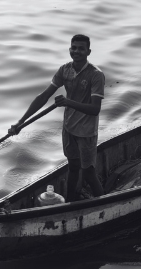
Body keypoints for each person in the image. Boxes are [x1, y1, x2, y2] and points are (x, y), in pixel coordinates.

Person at [8, 34, 105, 202]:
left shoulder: (95, 75)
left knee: (88, 172)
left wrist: (68, 102)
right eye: (73, 48)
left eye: (81, 48)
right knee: (73, 167)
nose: (77, 51)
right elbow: (43, 96)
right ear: (69, 50)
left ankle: (104, 203)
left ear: (88, 51)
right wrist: (20, 122)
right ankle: (70, 202)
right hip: (69, 128)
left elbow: (95, 109)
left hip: (87, 132)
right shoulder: (65, 70)